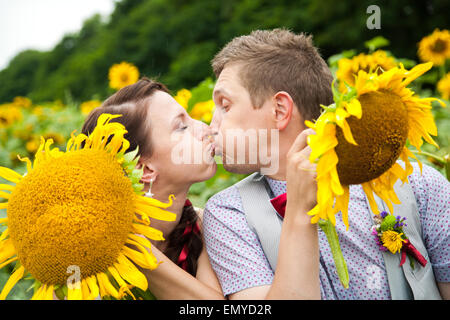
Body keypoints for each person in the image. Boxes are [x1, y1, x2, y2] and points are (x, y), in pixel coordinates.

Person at [203, 28, 450, 300]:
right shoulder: (227, 213)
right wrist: (299, 210)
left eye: (224, 105)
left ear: (279, 110)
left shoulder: (416, 183)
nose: (210, 126)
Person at [81, 78, 224, 299]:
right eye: (182, 127)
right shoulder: (86, 261)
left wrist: (134, 247)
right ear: (143, 169)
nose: (205, 127)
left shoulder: (205, 224)